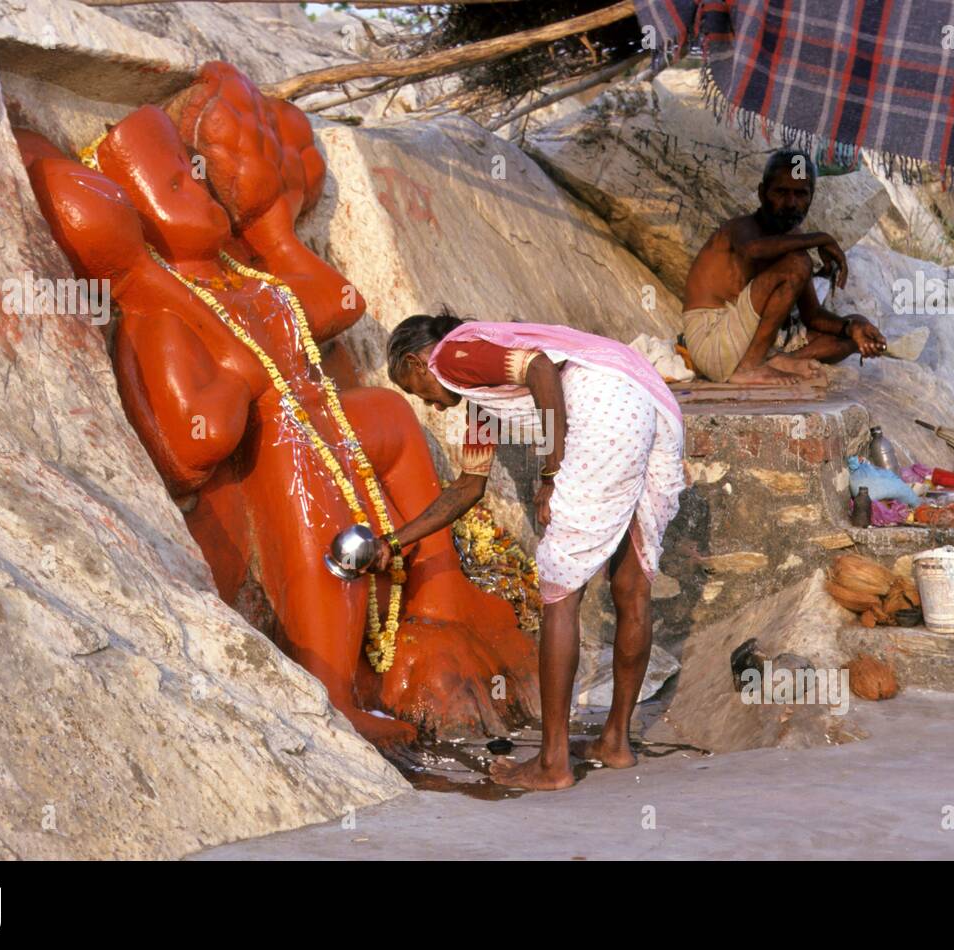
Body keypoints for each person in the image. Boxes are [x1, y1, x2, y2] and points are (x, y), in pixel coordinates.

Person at [376, 313, 687, 791]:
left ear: (420, 362)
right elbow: (468, 487)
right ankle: (615, 743)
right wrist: (395, 542)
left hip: (605, 405)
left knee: (560, 591)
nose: (433, 407)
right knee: (632, 582)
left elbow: (540, 369)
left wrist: (551, 471)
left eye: (420, 392)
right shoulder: (481, 396)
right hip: (648, 399)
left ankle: (553, 764)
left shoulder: (453, 354)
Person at [681, 149, 888, 385]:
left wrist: (852, 327)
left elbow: (813, 316)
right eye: (781, 192)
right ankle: (751, 367)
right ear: (762, 193)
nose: (791, 203)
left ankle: (778, 361)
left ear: (811, 197)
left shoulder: (792, 238)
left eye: (800, 194)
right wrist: (821, 238)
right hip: (713, 342)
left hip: (753, 343)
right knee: (797, 263)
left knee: (855, 330)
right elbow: (753, 251)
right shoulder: (740, 229)